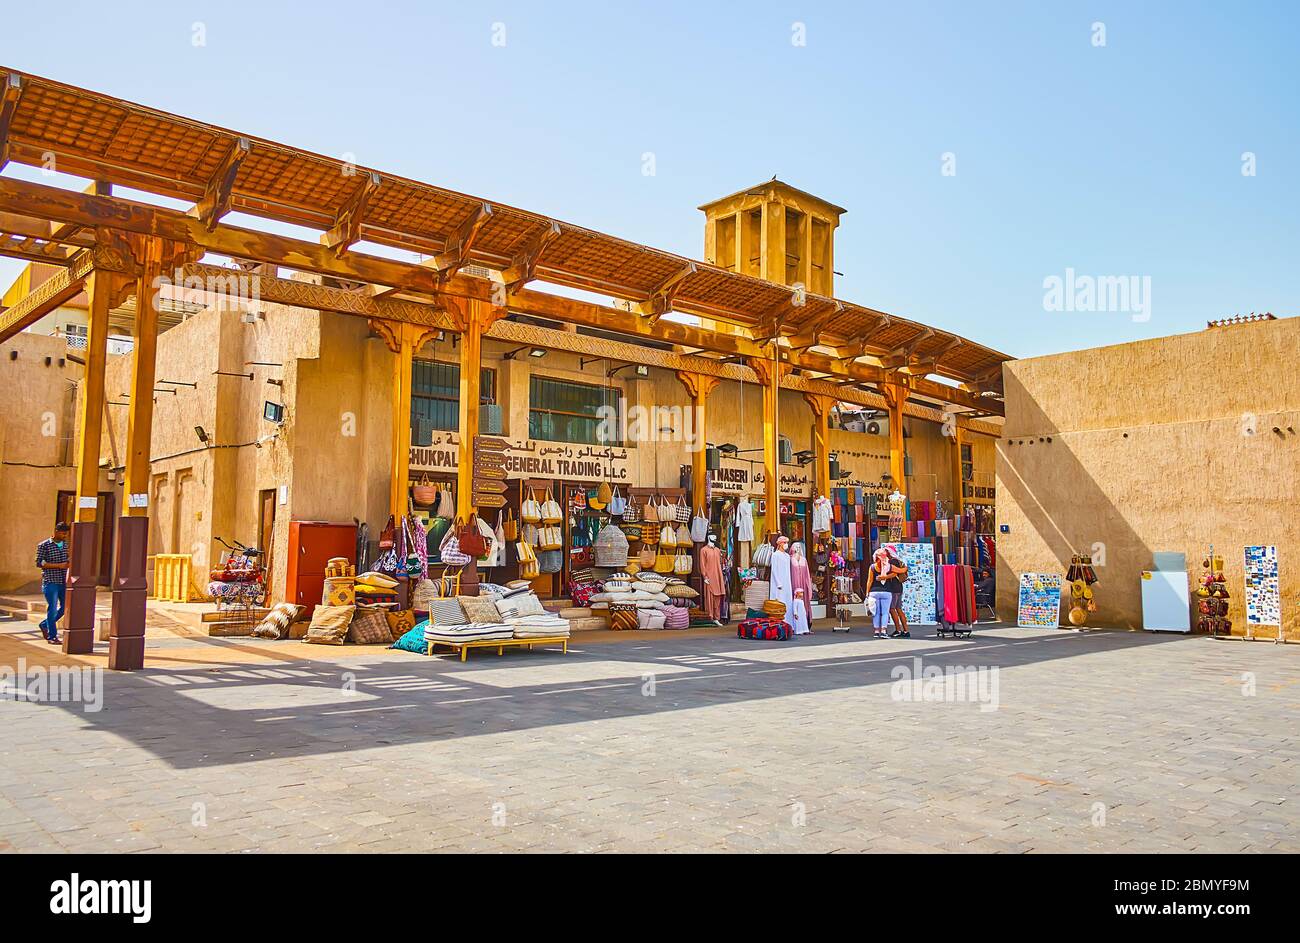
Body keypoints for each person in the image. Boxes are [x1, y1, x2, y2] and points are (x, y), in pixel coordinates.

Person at [35, 522, 71, 645]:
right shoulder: (44, 545)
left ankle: (44, 624)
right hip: (50, 581)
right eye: (62, 533)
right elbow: (39, 563)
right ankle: (52, 636)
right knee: (53, 608)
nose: (64, 535)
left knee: (66, 607)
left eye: (66, 533)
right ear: (55, 531)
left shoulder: (66, 545)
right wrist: (59, 566)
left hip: (63, 581)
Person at [768, 535, 799, 631]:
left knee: (788, 603)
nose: (786, 545)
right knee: (779, 602)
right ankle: (779, 624)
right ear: (780, 544)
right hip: (779, 584)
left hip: (787, 582)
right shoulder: (775, 555)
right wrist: (778, 583)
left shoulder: (786, 556)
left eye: (787, 543)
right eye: (784, 543)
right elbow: (774, 570)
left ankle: (789, 625)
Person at [865, 547, 895, 638]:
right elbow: (895, 573)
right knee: (885, 612)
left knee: (876, 612)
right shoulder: (889, 566)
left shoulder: (873, 567)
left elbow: (869, 581)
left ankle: (877, 631)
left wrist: (867, 593)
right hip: (886, 592)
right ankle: (884, 630)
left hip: (874, 592)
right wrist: (886, 577)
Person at [788, 541, 814, 635]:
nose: (797, 548)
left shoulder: (804, 560)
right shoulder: (790, 560)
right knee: (795, 604)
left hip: (803, 584)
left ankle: (806, 625)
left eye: (799, 546)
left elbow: (807, 574)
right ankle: (795, 626)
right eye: (796, 546)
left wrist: (808, 586)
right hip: (794, 583)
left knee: (805, 603)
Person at [883, 549, 910, 638]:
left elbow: (894, 574)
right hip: (899, 587)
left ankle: (898, 630)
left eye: (885, 552)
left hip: (893, 588)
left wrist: (884, 577)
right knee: (898, 609)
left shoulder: (892, 562)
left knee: (892, 608)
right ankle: (906, 631)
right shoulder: (898, 561)